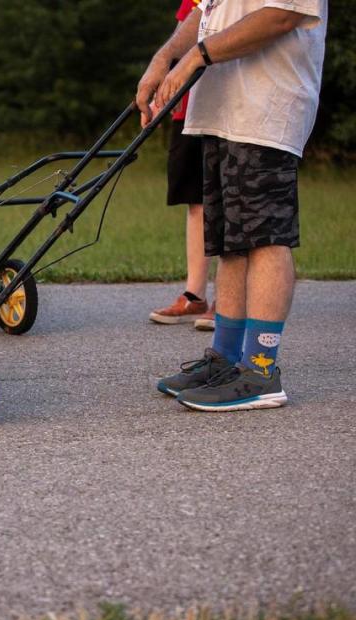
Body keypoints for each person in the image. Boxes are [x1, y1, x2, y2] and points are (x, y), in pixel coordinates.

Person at [136, 0, 327, 411]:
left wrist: (196, 57)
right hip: (220, 109)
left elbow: (283, 14)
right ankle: (225, 359)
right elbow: (205, 10)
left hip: (265, 108)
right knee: (229, 242)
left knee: (265, 238)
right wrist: (165, 57)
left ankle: (260, 370)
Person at [148, 0, 216, 331]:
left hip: (228, 104)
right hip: (189, 106)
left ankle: (232, 302)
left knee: (232, 201)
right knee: (195, 200)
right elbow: (184, 31)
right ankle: (195, 295)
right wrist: (160, 88)